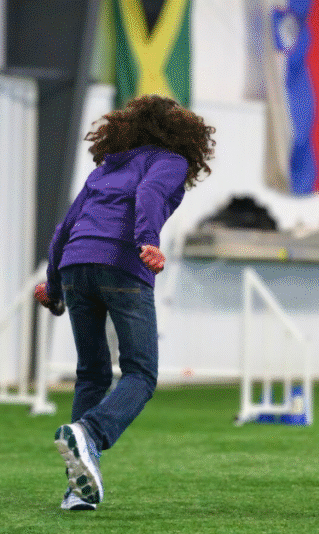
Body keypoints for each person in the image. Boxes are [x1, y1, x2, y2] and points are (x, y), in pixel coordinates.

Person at [34, 94, 216, 511]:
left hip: (76, 264)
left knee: (92, 373)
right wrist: (148, 241)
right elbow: (150, 194)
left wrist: (55, 285)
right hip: (122, 264)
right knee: (140, 372)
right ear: (185, 135)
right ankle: (91, 435)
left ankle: (77, 488)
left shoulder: (106, 168)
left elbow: (65, 226)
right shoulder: (170, 161)